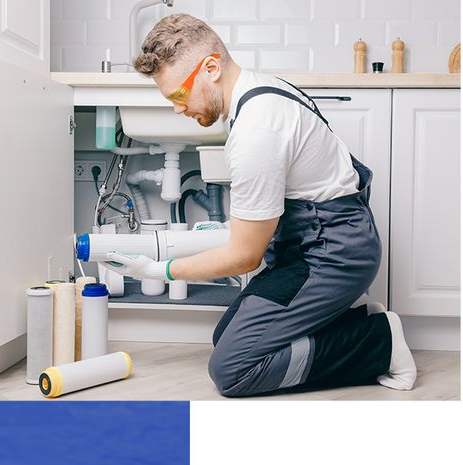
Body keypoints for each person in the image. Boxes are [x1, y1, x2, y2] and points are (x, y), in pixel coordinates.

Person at [103, 14, 416, 397]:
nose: (177, 110)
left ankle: (379, 343)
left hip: (332, 255)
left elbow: (244, 256)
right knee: (225, 336)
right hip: (314, 246)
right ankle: (352, 319)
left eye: (179, 96)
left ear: (211, 68)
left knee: (233, 368)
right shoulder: (261, 89)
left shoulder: (256, 131)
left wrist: (159, 269)